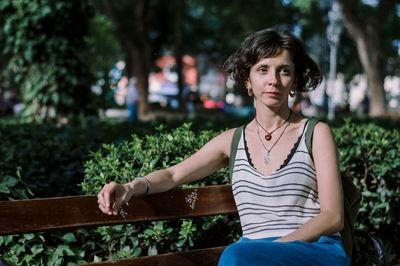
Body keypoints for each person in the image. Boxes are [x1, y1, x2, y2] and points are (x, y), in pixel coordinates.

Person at [97, 27, 350, 265]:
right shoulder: (232, 141)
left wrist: (273, 247)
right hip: (251, 254)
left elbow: (332, 216)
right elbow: (173, 174)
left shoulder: (316, 133)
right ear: (247, 80)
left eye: (284, 70)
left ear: (294, 81)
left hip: (314, 250)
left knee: (236, 255)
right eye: (263, 70)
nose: (273, 80)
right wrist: (131, 186)